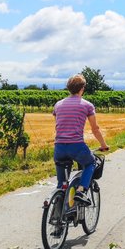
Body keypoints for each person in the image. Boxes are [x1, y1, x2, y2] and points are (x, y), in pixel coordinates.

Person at [53, 74, 109, 204]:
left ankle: (57, 211)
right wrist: (103, 145)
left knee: (61, 184)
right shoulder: (87, 105)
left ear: (68, 88)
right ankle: (81, 190)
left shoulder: (58, 105)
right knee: (90, 163)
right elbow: (95, 129)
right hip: (76, 146)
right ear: (82, 88)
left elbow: (58, 126)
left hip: (59, 147)